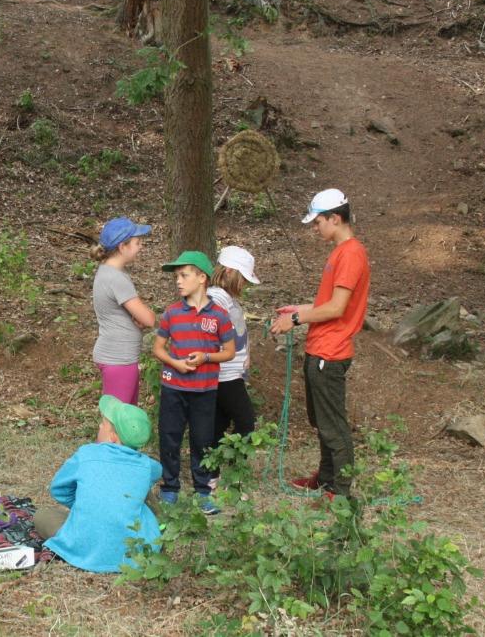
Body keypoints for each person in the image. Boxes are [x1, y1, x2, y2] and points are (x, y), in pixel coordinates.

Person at [271, 188, 370, 498]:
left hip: (331, 351)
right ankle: (326, 477)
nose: (315, 228)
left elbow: (337, 309)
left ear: (335, 218)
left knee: (333, 425)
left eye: (318, 222)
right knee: (321, 420)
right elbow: (329, 303)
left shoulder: (351, 253)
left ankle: (339, 492)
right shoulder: (340, 252)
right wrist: (299, 309)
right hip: (320, 348)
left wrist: (296, 319)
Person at [33, 395, 162, 573]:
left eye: (103, 424)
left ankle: (87, 525)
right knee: (142, 500)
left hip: (81, 546)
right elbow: (157, 471)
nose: (100, 426)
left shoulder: (86, 454)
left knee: (41, 515)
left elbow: (58, 489)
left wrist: (85, 505)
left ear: (113, 437)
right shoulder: (148, 466)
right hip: (131, 553)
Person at [152, 251, 236, 514]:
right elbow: (158, 348)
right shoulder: (172, 313)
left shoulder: (220, 315)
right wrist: (175, 363)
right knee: (170, 437)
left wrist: (206, 357)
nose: (178, 281)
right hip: (173, 388)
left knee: (202, 440)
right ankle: (169, 487)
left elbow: (229, 352)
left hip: (204, 389)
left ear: (202, 278)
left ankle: (202, 492)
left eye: (184, 275)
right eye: (176, 276)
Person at [89, 217, 157, 405]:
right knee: (116, 417)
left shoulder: (108, 272)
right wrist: (145, 316)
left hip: (120, 356)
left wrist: (136, 318)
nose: (141, 246)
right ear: (122, 246)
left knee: (124, 416)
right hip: (118, 358)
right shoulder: (115, 278)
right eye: (137, 242)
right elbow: (150, 319)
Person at [207, 246, 260, 487]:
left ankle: (212, 473)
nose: (244, 284)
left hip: (231, 372)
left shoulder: (227, 299)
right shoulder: (216, 298)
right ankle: (234, 472)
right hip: (225, 374)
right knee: (245, 421)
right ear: (228, 271)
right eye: (242, 278)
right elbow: (213, 329)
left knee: (218, 422)